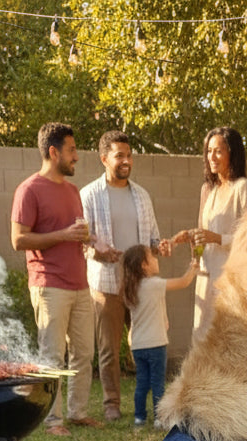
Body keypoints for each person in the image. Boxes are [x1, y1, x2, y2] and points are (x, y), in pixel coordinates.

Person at [10, 122, 101, 437]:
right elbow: (18, 240)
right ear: (54, 151)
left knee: (84, 352)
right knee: (52, 355)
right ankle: (52, 421)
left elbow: (73, 234)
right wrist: (64, 234)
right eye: (72, 150)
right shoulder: (29, 189)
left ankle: (77, 413)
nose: (77, 156)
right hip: (49, 284)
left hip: (80, 283)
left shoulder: (73, 191)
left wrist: (91, 241)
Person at [81, 131, 172, 422]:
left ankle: (148, 406)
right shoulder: (89, 195)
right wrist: (98, 252)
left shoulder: (142, 195)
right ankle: (111, 404)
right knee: (108, 349)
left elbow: (154, 238)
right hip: (106, 283)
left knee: (147, 342)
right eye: (120, 155)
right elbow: (82, 242)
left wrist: (161, 246)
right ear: (104, 158)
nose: (126, 161)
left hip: (141, 284)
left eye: (129, 155)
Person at [174, 127, 247, 344]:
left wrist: (217, 238)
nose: (212, 156)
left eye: (218, 151)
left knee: (225, 341)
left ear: (233, 153)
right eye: (209, 151)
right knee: (201, 339)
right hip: (205, 274)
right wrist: (192, 237)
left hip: (229, 279)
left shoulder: (242, 188)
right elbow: (203, 232)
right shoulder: (207, 190)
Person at [121, 244, 198, 427]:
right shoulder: (154, 284)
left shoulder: (131, 289)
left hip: (139, 345)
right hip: (156, 343)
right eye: (152, 257)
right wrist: (193, 268)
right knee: (157, 382)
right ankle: (159, 418)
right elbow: (183, 282)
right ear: (143, 265)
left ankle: (139, 417)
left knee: (142, 383)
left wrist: (164, 319)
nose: (157, 259)